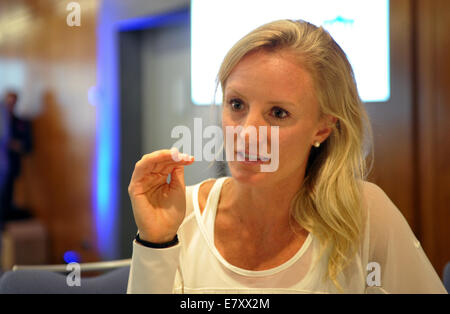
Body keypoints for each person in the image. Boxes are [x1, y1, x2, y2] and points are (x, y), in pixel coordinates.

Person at [126, 20, 447, 293]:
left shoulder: (363, 214)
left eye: (278, 113)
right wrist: (156, 243)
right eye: (236, 104)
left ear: (323, 128)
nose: (246, 133)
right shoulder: (179, 217)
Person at [0, 91, 33, 229]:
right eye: (8, 103)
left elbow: (27, 146)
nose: (10, 106)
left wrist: (12, 144)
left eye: (13, 103)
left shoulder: (20, 122)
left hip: (9, 168)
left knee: (6, 200)